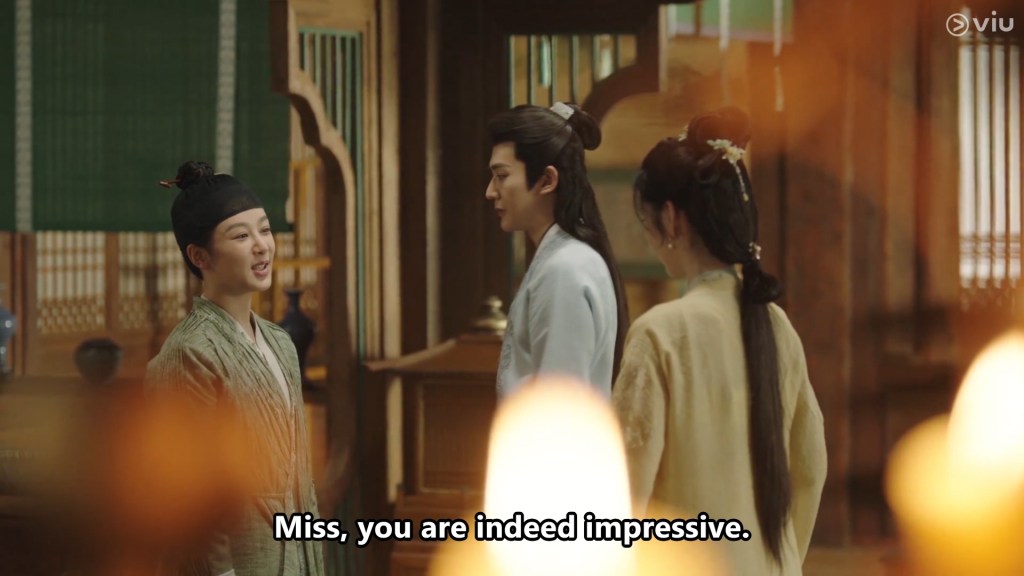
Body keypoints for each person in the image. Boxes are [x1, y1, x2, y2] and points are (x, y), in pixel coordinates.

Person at [611, 108, 827, 575]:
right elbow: (811, 469)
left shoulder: (660, 333)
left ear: (671, 219)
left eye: (646, 222)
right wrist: (783, 559)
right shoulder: (777, 325)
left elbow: (627, 489)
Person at [145, 161, 325, 576]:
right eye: (241, 236)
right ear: (199, 256)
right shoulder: (189, 353)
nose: (262, 246)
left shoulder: (280, 342)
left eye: (265, 230)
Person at [486, 102, 628, 399]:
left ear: (547, 181)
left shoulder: (564, 269)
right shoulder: (566, 260)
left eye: (502, 176)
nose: (491, 191)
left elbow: (560, 402)